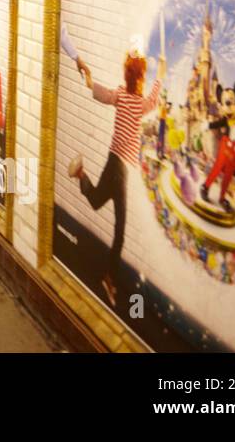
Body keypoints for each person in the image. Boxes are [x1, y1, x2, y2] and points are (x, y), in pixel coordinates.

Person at [66, 48, 164, 308]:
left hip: (114, 163)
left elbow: (103, 94)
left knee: (97, 201)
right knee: (120, 231)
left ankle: (80, 174)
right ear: (141, 78)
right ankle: (110, 279)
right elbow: (154, 101)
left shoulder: (122, 95)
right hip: (120, 170)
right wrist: (161, 75)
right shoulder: (139, 103)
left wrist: (88, 79)